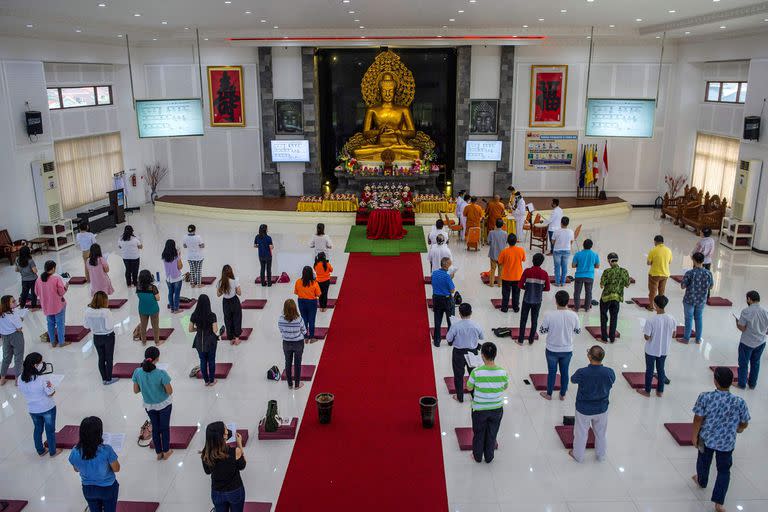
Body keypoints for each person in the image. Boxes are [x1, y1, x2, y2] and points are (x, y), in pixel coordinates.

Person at [692, 367, 750, 512]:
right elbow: (744, 422)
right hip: (727, 443)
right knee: (724, 471)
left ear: (715, 381)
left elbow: (698, 419)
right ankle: (719, 503)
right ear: (731, 382)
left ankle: (701, 481)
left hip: (706, 439)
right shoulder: (739, 402)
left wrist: (694, 436)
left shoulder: (705, 397)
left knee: (703, 462)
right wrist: (739, 429)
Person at [569, 345, 616, 463]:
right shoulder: (609, 372)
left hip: (584, 409)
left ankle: (578, 455)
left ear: (589, 356)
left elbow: (573, 379)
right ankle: (601, 455)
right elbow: (612, 382)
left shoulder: (582, 372)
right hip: (602, 408)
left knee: (581, 433)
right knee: (601, 433)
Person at [466, 342, 508, 463]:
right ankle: (489, 457)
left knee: (479, 433)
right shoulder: (503, 372)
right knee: (492, 433)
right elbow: (505, 387)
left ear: (482, 355)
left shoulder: (476, 372)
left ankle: (477, 456)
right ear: (495, 355)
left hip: (479, 410)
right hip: (497, 409)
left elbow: (469, 388)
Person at [69, 416, 120, 512]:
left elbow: (76, 469)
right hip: (108, 488)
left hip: (88, 489)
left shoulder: (75, 451)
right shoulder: (106, 450)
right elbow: (116, 468)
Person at [132, 346, 173, 460]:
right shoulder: (161, 373)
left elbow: (136, 390)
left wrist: (146, 387)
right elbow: (169, 391)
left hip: (149, 405)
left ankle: (158, 453)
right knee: (164, 428)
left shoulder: (137, 372)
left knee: (155, 427)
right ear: (157, 358)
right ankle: (166, 451)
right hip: (164, 404)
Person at [18, 352, 62, 456]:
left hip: (32, 409)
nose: (43, 364)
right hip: (47, 408)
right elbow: (51, 393)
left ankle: (40, 450)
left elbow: (21, 390)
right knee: (50, 430)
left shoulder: (20, 378)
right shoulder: (42, 379)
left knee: (38, 429)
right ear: (35, 365)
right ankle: (53, 451)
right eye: (41, 362)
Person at [539, 290, 580, 400]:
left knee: (552, 372)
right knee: (565, 372)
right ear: (568, 301)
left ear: (556, 302)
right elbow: (577, 331)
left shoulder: (549, 315)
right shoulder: (574, 315)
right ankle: (562, 394)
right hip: (567, 349)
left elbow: (542, 331)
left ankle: (549, 394)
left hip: (551, 349)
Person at [202, 421, 247, 512]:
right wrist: (239, 445)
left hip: (217, 492)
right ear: (223, 436)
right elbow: (242, 465)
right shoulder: (234, 452)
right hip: (235, 491)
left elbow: (207, 471)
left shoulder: (206, 453)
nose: (228, 430)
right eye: (226, 429)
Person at [638, 295, 676, 397]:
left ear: (655, 305)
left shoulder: (651, 320)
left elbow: (647, 337)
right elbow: (674, 334)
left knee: (649, 370)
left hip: (651, 349)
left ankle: (647, 391)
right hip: (664, 349)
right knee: (661, 369)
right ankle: (660, 391)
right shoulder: (671, 318)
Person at [446, 303, 483, 403]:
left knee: (458, 375)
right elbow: (482, 337)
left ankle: (460, 397)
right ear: (471, 313)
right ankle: (474, 395)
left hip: (458, 353)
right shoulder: (476, 325)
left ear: (460, 313)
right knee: (473, 374)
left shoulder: (455, 326)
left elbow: (448, 338)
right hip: (472, 352)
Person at [735, 290, 768, 389]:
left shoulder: (746, 311)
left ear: (749, 299)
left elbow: (742, 328)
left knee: (743, 364)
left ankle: (741, 384)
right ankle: (752, 384)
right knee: (756, 363)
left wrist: (737, 322)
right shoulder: (765, 312)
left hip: (747, 343)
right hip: (761, 342)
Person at [84, 292, 118, 385]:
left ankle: (104, 379)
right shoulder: (105, 312)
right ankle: (109, 378)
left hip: (96, 337)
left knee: (101, 358)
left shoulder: (88, 311)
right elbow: (109, 326)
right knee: (109, 358)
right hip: (108, 337)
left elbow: (86, 326)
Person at [517, 253, 550, 345]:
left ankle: (520, 340)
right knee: (534, 320)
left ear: (532, 260)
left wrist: (527, 288)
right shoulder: (544, 273)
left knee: (523, 320)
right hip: (537, 301)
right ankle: (531, 340)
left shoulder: (527, 271)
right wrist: (539, 290)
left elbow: (520, 285)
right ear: (542, 263)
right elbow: (547, 288)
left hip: (527, 299)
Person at [35, 260, 69, 348]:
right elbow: (61, 292)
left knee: (50, 323)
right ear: (53, 268)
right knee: (60, 323)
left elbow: (36, 292)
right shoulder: (56, 279)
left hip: (46, 306)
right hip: (58, 305)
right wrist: (66, 287)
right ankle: (62, 342)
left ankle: (53, 342)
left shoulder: (39, 279)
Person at [681, 252, 714, 344]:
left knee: (688, 319)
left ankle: (686, 338)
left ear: (694, 260)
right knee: (699, 318)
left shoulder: (690, 273)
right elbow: (711, 287)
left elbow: (683, 286)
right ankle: (698, 339)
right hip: (701, 300)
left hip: (689, 299)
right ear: (703, 261)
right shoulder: (708, 273)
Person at [599, 252, 630, 343]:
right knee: (614, 317)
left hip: (606, 298)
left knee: (604, 317)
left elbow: (601, 285)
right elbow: (627, 284)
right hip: (617, 298)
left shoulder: (607, 271)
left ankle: (604, 338)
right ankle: (612, 338)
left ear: (609, 261)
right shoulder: (624, 271)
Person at [190, 294, 219, 387]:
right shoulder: (212, 315)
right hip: (210, 341)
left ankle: (206, 381)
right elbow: (215, 330)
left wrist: (198, 329)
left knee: (202, 361)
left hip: (199, 341)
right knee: (211, 360)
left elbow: (190, 329)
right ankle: (212, 380)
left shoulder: (194, 315)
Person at [278, 299, 307, 390]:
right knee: (297, 364)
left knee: (288, 363)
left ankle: (289, 384)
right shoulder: (299, 319)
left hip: (286, 343)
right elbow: (304, 331)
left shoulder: (281, 319)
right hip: (298, 343)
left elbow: (281, 330)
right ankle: (297, 384)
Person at [497, 233, 526, 313]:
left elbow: (499, 261)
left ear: (507, 241)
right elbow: (523, 259)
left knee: (505, 293)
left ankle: (504, 308)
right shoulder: (521, 250)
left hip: (506, 276)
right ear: (516, 241)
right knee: (516, 293)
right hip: (517, 276)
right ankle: (515, 308)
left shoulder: (504, 251)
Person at [431, 257, 456, 347]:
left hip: (436, 299)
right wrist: (450, 278)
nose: (451, 266)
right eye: (450, 264)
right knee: (451, 321)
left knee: (437, 321)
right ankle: (450, 341)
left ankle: (437, 341)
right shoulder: (447, 276)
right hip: (447, 300)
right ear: (446, 265)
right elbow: (452, 290)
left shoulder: (434, 273)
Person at [0, 295, 25, 386]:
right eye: (13, 301)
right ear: (7, 304)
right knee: (18, 358)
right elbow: (19, 328)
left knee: (6, 358)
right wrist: (20, 319)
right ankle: (17, 380)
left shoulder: (1, 314)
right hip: (16, 336)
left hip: (4, 337)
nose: (15, 302)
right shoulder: (13, 314)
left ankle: (2, 378)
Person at [571, 239, 600, 312]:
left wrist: (579, 265)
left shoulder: (578, 254)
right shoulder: (595, 254)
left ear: (583, 245)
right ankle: (587, 308)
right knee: (589, 292)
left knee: (577, 292)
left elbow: (573, 265)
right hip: (590, 276)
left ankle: (576, 308)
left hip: (579, 276)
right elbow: (597, 266)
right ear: (591, 246)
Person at [217, 265, 242, 345]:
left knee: (228, 320)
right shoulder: (235, 280)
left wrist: (223, 290)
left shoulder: (220, 282)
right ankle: (237, 338)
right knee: (237, 319)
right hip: (234, 301)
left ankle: (231, 339)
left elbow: (218, 294)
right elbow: (239, 293)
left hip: (225, 302)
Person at [294, 266, 320, 342]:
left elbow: (296, 292)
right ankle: (311, 337)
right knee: (312, 320)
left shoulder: (298, 281)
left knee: (304, 319)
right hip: (312, 302)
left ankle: (305, 337)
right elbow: (318, 294)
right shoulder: (314, 283)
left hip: (301, 301)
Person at [647, 235, 672, 311]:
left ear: (655, 241)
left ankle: (651, 306)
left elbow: (648, 262)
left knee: (653, 291)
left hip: (655, 274)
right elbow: (669, 262)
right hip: (665, 274)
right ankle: (661, 306)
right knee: (661, 291)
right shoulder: (668, 250)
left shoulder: (653, 250)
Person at [136, 270, 161, 345]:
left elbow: (139, 296)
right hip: (153, 309)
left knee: (143, 326)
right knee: (155, 326)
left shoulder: (138, 287)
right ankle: (157, 342)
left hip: (142, 309)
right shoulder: (153, 288)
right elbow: (158, 298)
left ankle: (143, 342)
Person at [550, 216, 574, 287]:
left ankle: (557, 282)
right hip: (566, 250)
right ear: (568, 223)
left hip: (557, 250)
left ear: (561, 223)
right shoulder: (571, 232)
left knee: (557, 267)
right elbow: (571, 242)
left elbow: (553, 242)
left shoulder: (556, 231)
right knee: (564, 267)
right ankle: (563, 282)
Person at [162, 239, 184, 313]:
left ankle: (172, 308)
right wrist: (179, 257)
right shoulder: (176, 255)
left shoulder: (164, 255)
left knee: (170, 293)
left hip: (168, 278)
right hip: (177, 278)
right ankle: (176, 309)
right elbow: (180, 267)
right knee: (177, 294)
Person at [486, 218, 507, 287]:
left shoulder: (491, 232)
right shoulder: (505, 233)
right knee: (501, 270)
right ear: (502, 225)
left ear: (495, 225)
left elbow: (488, 242)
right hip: (502, 254)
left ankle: (491, 283)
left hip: (493, 254)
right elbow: (506, 242)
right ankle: (500, 284)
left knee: (492, 269)